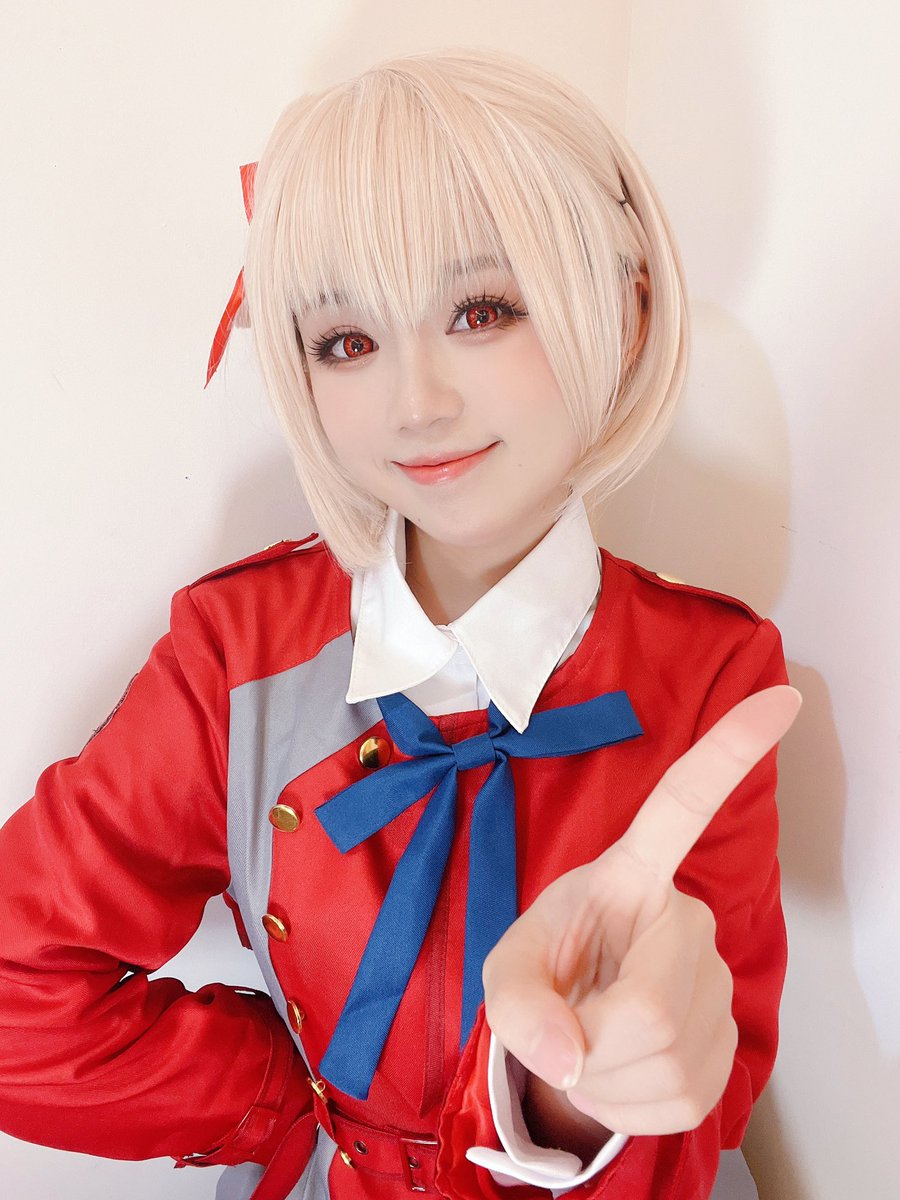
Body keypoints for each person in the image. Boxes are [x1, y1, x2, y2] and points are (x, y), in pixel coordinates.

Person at [0, 46, 800, 1200]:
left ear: (623, 314)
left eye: (482, 311)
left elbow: (699, 1122)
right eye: (347, 341)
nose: (415, 403)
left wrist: (572, 1098)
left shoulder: (714, 676)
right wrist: (286, 1108)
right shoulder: (236, 652)